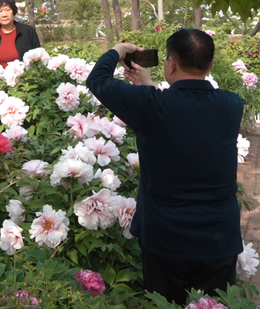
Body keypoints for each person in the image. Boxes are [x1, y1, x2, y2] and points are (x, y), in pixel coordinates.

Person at [85, 29, 244, 304]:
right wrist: (147, 86)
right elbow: (185, 119)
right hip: (218, 235)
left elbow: (97, 80)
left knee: (165, 304)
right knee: (214, 305)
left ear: (170, 64)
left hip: (165, 236)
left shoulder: (149, 105)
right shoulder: (232, 104)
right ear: (210, 65)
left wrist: (118, 50)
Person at [0, 0, 41, 67]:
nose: (4, 15)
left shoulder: (28, 32)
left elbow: (39, 59)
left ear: (13, 12)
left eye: (7, 10)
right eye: (0, 11)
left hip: (25, 74)